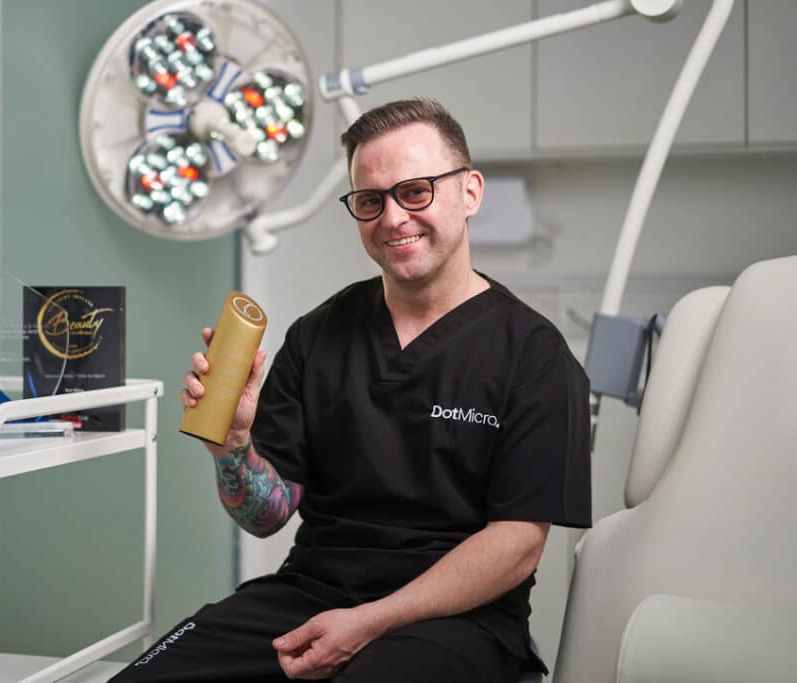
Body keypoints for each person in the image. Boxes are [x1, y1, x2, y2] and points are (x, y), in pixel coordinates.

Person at [111, 98, 591, 682]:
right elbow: (267, 516)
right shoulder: (319, 335)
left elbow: (517, 546)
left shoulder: (533, 356)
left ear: (469, 193)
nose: (393, 217)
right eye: (371, 200)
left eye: (415, 191)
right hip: (308, 592)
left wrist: (370, 621)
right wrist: (232, 446)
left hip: (457, 621)